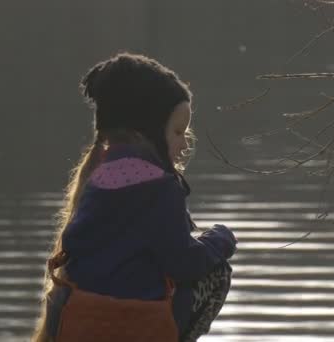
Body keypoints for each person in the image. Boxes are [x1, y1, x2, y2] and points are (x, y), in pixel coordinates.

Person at [31, 52, 238, 342]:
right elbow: (184, 262)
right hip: (135, 323)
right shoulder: (160, 187)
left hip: (81, 320)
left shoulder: (98, 176)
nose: (184, 144)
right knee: (218, 272)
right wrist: (220, 240)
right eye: (178, 132)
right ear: (149, 131)